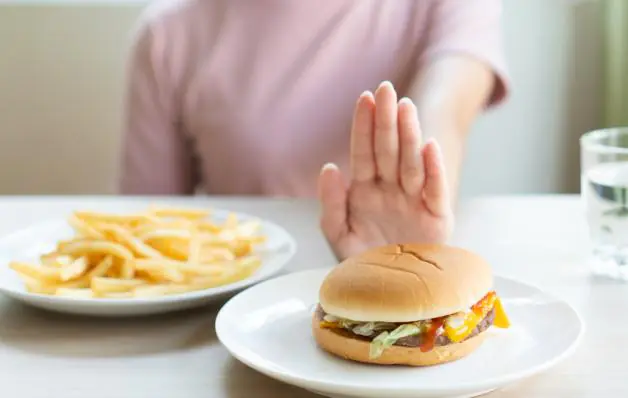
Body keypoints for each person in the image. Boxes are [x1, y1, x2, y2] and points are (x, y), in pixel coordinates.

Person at [119, 0, 509, 261]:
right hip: (236, 308)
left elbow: (445, 108)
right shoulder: (168, 30)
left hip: (401, 268)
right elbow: (144, 232)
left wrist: (413, 201)